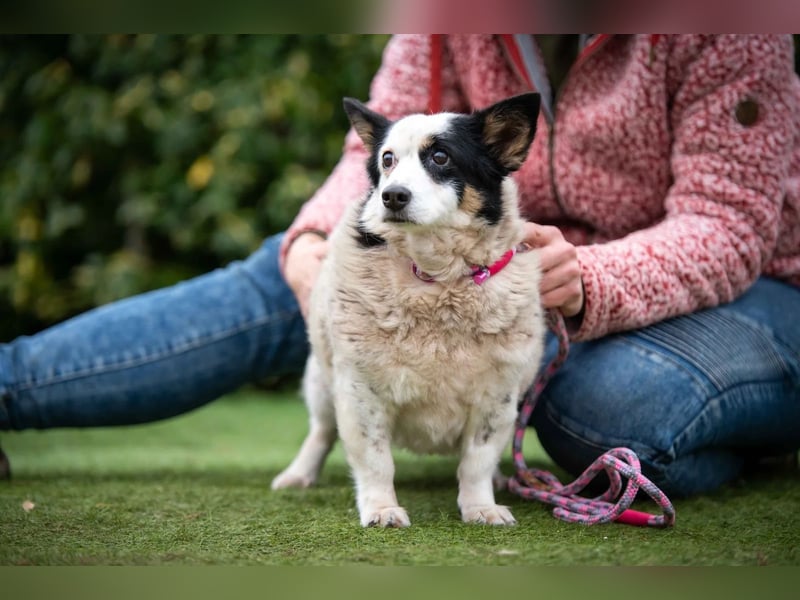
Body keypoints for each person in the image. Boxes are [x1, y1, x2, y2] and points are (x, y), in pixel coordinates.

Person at [1, 34, 799, 497]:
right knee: (279, 280)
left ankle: (748, 425)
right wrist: (316, 241)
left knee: (609, 408)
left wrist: (595, 280)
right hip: (455, 248)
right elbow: (381, 150)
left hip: (738, 289)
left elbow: (728, 224)